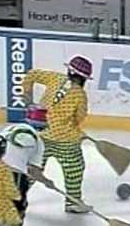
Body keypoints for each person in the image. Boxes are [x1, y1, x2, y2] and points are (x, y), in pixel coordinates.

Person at [22, 55, 92, 214]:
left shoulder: (55, 78)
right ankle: (73, 201)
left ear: (69, 71)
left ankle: (17, 197)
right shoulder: (80, 94)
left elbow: (31, 74)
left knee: (33, 168)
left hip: (40, 135)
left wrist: (27, 97)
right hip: (65, 141)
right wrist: (76, 131)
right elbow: (80, 117)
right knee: (74, 168)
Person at [1, 122, 52, 226]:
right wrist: (46, 181)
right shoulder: (39, 142)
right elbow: (34, 172)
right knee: (17, 209)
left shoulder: (10, 128)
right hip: (14, 175)